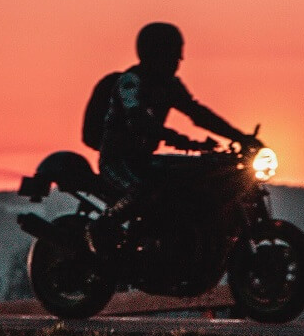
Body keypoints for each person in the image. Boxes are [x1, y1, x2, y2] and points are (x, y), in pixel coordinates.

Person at [87, 22, 260, 254]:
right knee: (141, 190)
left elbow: (198, 113)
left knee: (196, 177)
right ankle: (100, 229)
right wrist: (179, 139)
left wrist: (241, 137)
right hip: (118, 161)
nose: (179, 61)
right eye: (173, 55)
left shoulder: (170, 86)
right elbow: (139, 120)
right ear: (156, 54)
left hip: (144, 160)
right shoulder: (130, 82)